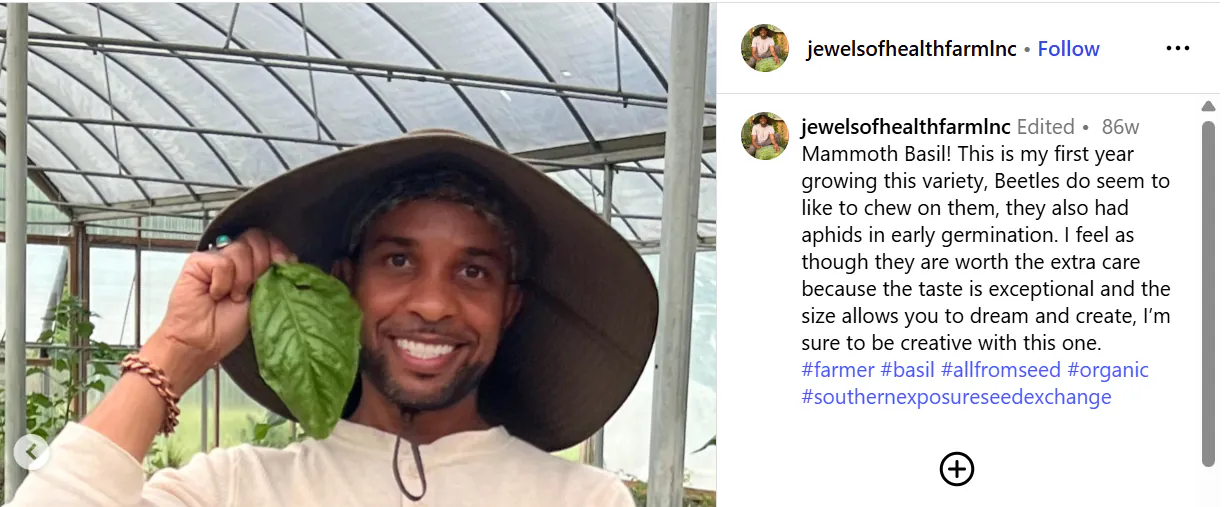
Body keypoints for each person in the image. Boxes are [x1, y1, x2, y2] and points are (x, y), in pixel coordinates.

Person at [8, 129, 660, 506]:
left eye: (473, 272)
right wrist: (177, 348)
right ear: (346, 285)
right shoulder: (234, 491)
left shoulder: (580, 499)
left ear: (509, 306)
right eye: (399, 261)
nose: (433, 304)